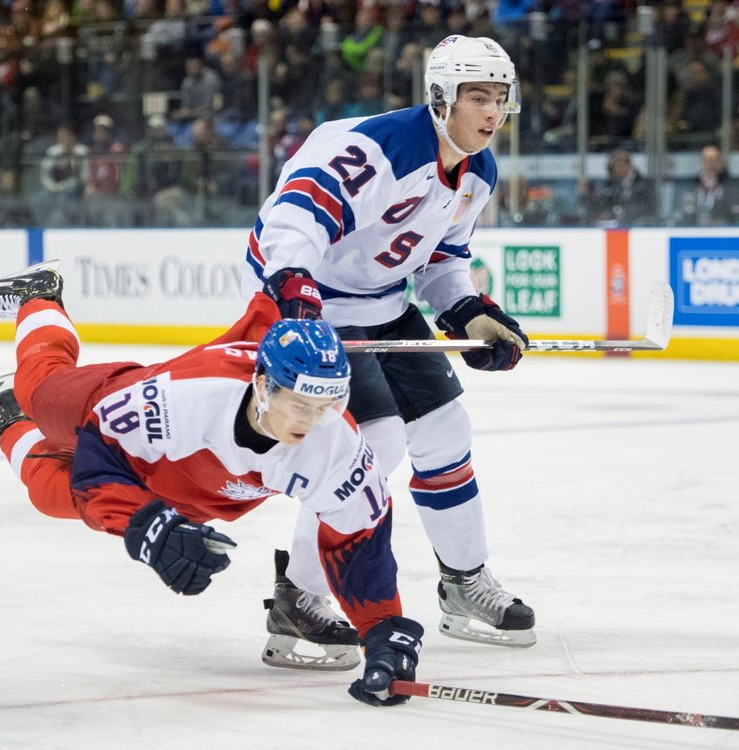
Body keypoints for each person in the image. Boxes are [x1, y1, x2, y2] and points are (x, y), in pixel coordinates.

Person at [0, 263, 424, 705]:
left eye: (326, 406)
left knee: (50, 495)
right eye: (300, 404)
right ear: (263, 385)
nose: (313, 421)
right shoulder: (183, 397)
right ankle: (39, 296)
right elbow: (100, 459)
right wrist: (148, 526)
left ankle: (2, 417)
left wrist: (381, 632)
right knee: (40, 392)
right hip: (119, 415)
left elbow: (358, 542)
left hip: (208, 487)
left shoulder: (336, 445)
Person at [242, 35, 536, 648]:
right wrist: (295, 291)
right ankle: (298, 596)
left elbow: (440, 259)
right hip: (309, 297)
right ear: (439, 99)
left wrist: (471, 313)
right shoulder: (378, 149)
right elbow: (293, 217)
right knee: (372, 443)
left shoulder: (477, 171)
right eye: (476, 97)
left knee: (445, 429)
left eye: (498, 98)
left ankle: (463, 582)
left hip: (382, 302)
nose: (490, 112)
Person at [581, 148, 657, 226]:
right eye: (615, 166)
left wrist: (620, 213)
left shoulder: (645, 184)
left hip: (640, 225)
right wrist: (587, 196)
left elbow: (648, 207)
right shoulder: (610, 184)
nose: (618, 169)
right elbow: (603, 206)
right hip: (616, 226)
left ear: (629, 165)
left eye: (621, 165)